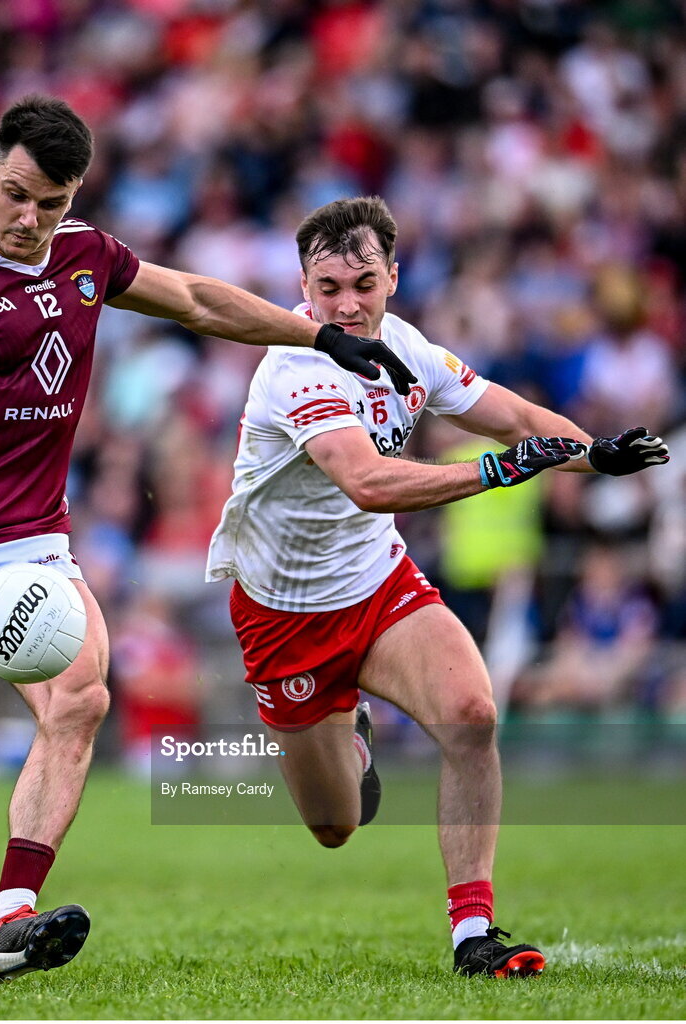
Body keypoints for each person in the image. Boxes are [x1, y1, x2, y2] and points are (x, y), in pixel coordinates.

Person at [0, 96, 418, 982]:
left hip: (27, 544)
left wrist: (316, 334)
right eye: (15, 195)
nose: (29, 220)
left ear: (74, 194)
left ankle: (9, 916)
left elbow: (198, 300)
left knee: (82, 698)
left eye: (51, 202)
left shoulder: (85, 256)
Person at [205, 195, 669, 977]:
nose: (347, 304)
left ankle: (472, 934)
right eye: (328, 289)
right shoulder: (293, 366)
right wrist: (491, 472)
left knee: (472, 713)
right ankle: (351, 739)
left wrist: (599, 454)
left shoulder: (409, 346)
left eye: (363, 283)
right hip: (284, 616)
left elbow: (519, 421)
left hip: (378, 582)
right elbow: (368, 482)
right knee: (333, 824)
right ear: (303, 287)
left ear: (394, 273)